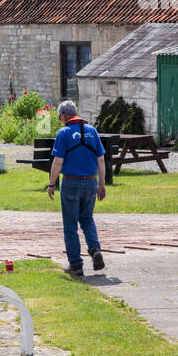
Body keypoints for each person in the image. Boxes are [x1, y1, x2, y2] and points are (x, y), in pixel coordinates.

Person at [47, 99, 107, 276]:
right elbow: (101, 160)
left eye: (60, 117)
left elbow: (58, 161)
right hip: (91, 182)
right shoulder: (92, 131)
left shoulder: (63, 132)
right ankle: (95, 249)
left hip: (71, 183)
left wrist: (51, 184)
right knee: (87, 219)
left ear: (64, 116)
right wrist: (101, 184)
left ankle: (76, 264)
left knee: (70, 224)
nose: (60, 120)